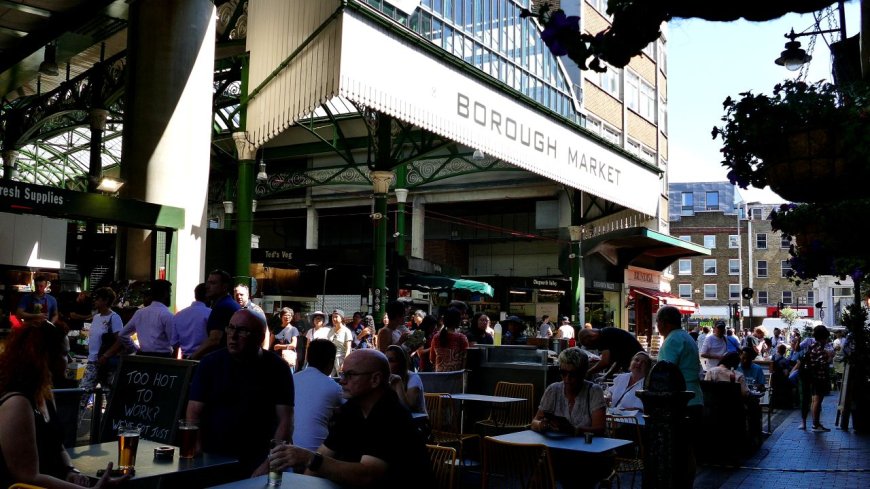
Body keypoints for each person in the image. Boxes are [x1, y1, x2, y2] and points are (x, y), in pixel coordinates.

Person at [268, 349, 435, 489]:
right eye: (342, 374)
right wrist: (304, 483)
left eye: (350, 375)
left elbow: (367, 476)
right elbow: (324, 453)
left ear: (375, 379)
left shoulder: (391, 415)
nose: (342, 380)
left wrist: (309, 458)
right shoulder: (351, 409)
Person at [0, 321, 128, 489]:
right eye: (64, 353)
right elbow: (28, 476)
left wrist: (71, 470)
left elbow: (57, 446)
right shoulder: (18, 403)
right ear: (44, 357)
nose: (69, 359)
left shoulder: (44, 394)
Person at [186, 309, 294, 479]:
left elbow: (285, 421)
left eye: (242, 330)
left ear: (260, 338)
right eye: (231, 328)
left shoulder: (277, 368)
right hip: (213, 458)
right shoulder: (209, 364)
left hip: (258, 459)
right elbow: (193, 413)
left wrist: (269, 464)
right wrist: (197, 454)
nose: (233, 336)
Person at [530, 347, 607, 489]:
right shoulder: (553, 390)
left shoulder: (593, 391)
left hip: (587, 454)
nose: (567, 378)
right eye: (563, 373)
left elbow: (600, 429)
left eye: (573, 374)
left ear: (583, 373)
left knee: (563, 468)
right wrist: (542, 425)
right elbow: (534, 422)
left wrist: (574, 430)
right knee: (544, 468)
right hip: (558, 452)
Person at [655, 305, 703, 486]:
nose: (657, 326)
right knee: (688, 450)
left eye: (657, 322)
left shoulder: (672, 341)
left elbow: (664, 374)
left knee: (677, 451)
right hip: (695, 398)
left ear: (664, 323)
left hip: (681, 403)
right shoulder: (686, 337)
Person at [292, 339, 344, 452]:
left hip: (286, 448)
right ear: (331, 362)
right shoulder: (334, 387)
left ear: (308, 358)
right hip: (318, 453)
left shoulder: (291, 380)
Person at [79, 287, 123, 412]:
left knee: (109, 396)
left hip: (106, 363)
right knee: (82, 395)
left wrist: (106, 355)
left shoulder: (114, 318)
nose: (95, 301)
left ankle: (111, 422)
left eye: (97, 298)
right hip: (92, 361)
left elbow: (120, 340)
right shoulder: (96, 317)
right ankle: (76, 422)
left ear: (106, 300)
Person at [106, 279, 174, 358]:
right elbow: (174, 341)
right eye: (170, 293)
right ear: (165, 294)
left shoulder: (139, 313)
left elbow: (122, 334)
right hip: (163, 358)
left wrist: (134, 348)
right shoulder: (167, 315)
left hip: (142, 357)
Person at [191, 269, 241, 360]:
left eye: (213, 283)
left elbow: (214, 339)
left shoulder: (223, 307)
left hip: (225, 360)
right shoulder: (227, 303)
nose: (207, 286)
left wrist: (192, 357)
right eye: (208, 283)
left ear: (224, 287)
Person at [792, 325, 834, 432]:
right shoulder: (820, 349)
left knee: (808, 399)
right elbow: (823, 363)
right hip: (818, 377)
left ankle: (808, 423)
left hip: (808, 376)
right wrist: (829, 358)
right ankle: (816, 425)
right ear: (823, 337)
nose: (827, 340)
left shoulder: (812, 345)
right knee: (817, 400)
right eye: (826, 338)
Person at [578, 326, 643, 379]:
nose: (596, 348)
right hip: (637, 366)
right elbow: (618, 362)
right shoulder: (607, 334)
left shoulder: (604, 336)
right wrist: (606, 376)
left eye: (591, 345)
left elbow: (605, 362)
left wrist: (588, 373)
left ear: (591, 337)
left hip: (640, 366)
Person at [171, 283, 211, 359]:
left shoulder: (179, 315)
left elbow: (175, 343)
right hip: (205, 358)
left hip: (185, 358)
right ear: (208, 296)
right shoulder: (210, 313)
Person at [386, 345, 426, 415]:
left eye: (391, 360)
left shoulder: (413, 377)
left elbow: (408, 408)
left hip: (417, 420)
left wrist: (398, 384)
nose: (387, 364)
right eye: (386, 360)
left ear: (401, 363)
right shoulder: (386, 378)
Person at [429, 308, 468, 372]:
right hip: (456, 376)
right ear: (458, 321)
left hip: (439, 375)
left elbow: (432, 359)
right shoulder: (462, 338)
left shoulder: (436, 337)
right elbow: (465, 360)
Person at [327, 309, 354, 375]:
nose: (334, 319)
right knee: (327, 377)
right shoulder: (331, 330)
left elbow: (348, 349)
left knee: (342, 378)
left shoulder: (346, 331)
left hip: (341, 358)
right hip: (331, 359)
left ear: (341, 318)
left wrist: (345, 362)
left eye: (336, 317)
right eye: (333, 317)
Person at [273, 307, 300, 371]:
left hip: (288, 359)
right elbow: (270, 344)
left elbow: (293, 345)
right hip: (276, 358)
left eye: (289, 315)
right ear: (281, 317)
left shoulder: (293, 329)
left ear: (292, 317)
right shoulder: (276, 329)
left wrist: (280, 346)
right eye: (285, 315)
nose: (287, 317)